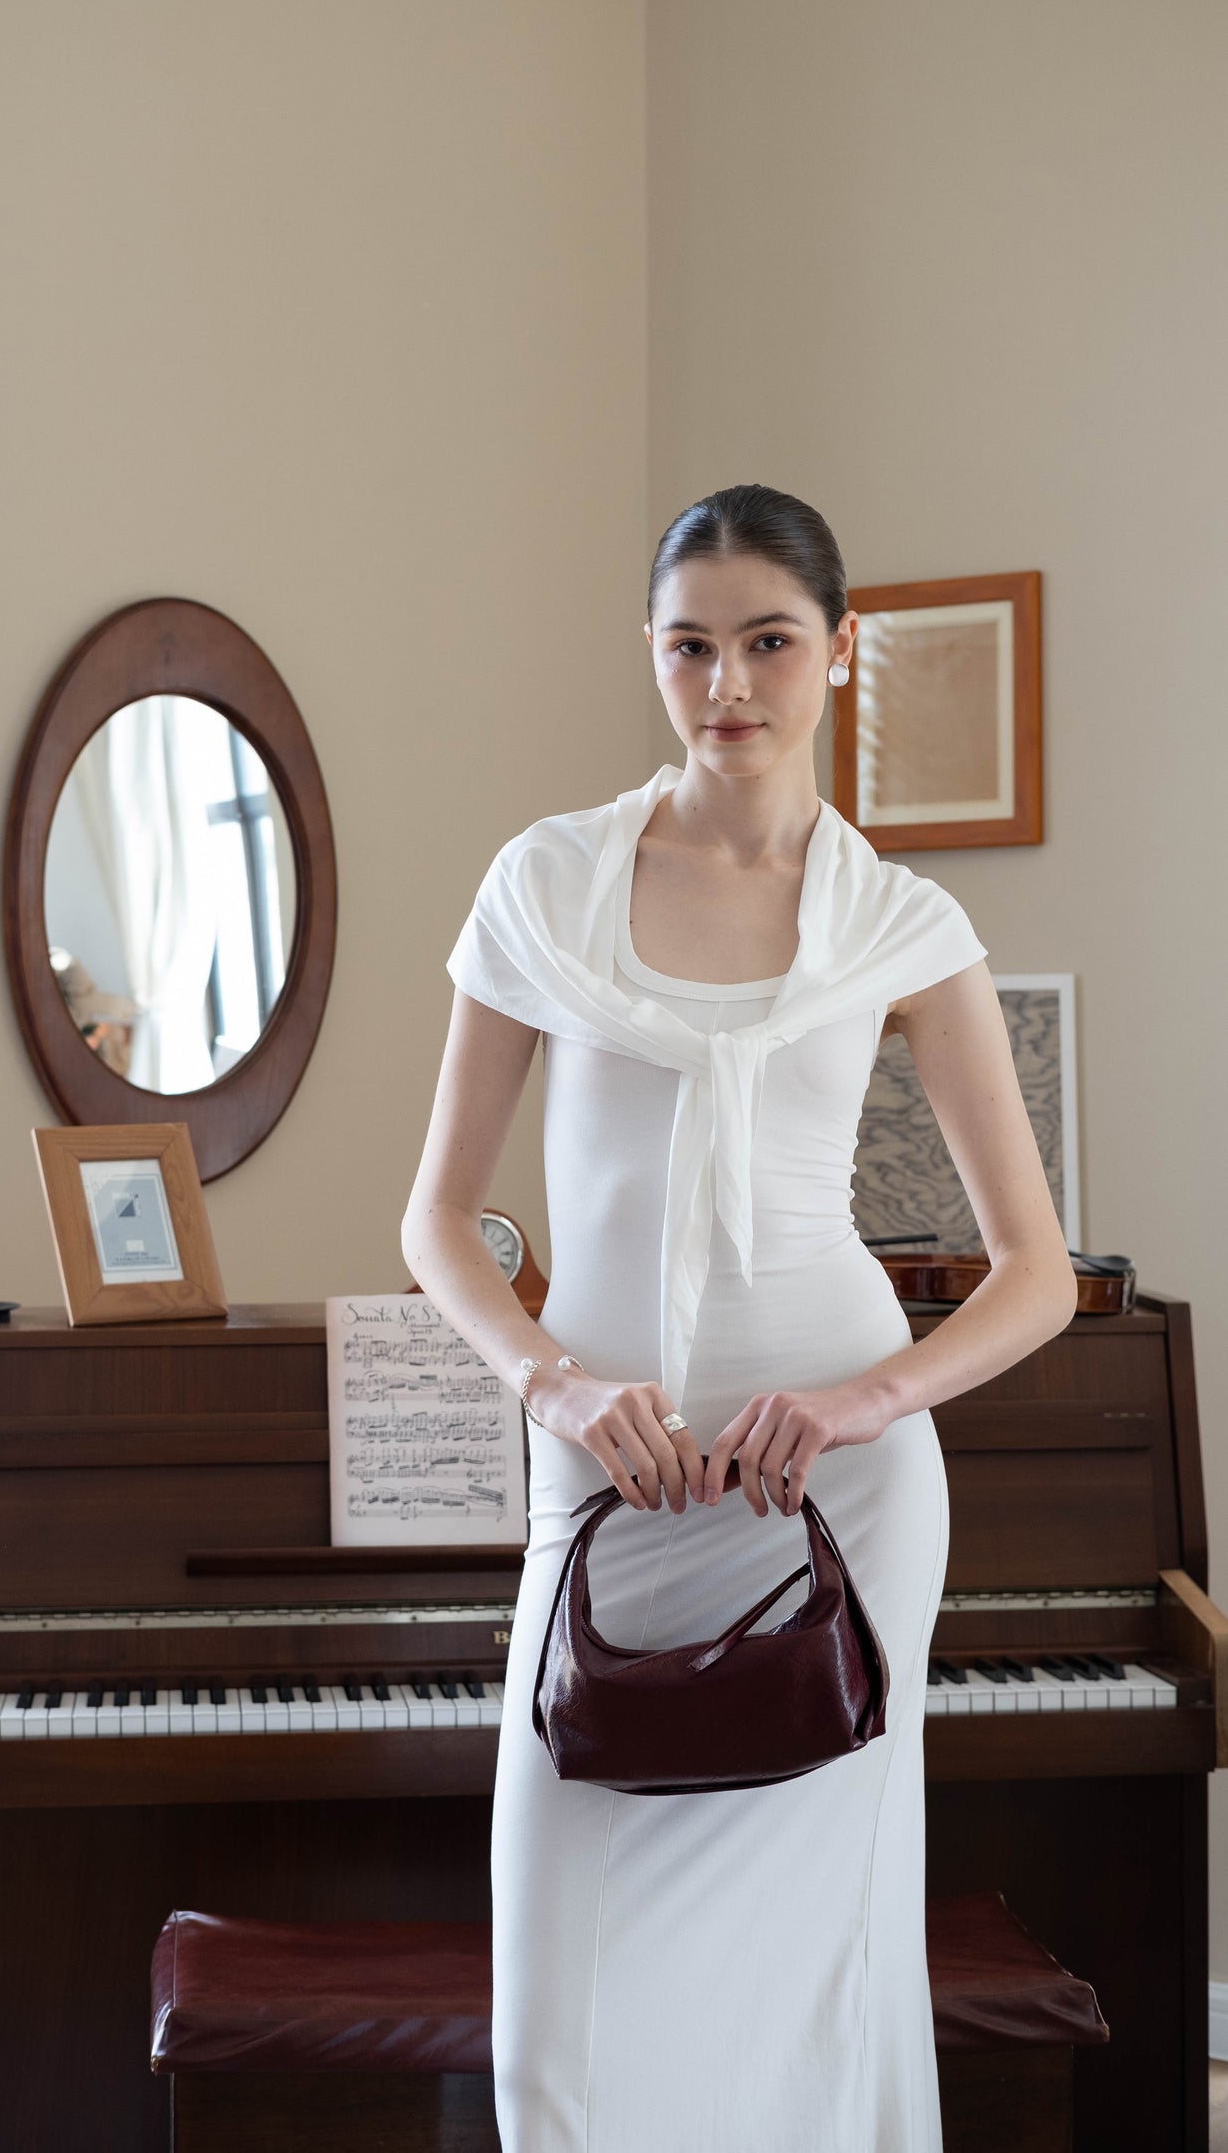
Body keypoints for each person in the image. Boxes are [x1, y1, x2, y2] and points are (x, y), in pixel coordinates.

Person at [400, 483, 1078, 2152]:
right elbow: (436, 1218)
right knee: (559, 2005)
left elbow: (1035, 1271)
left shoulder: (903, 924)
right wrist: (552, 1387)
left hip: (833, 1489)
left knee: (810, 1980)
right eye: (688, 645)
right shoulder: (543, 883)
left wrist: (863, 1403)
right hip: (603, 1476)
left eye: (768, 642)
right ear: (648, 650)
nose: (726, 686)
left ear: (839, 652)